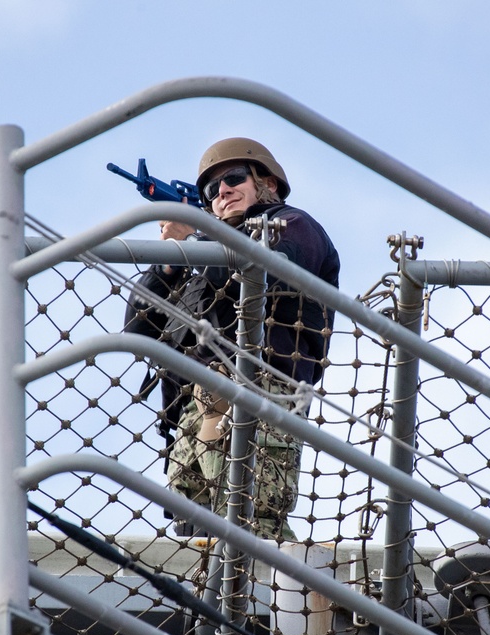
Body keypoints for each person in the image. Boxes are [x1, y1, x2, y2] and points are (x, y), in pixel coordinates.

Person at [131, 138, 339, 540]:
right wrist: (171, 258)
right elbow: (139, 326)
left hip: (261, 395)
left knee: (253, 524)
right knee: (195, 537)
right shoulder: (202, 254)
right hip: (192, 415)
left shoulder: (292, 224)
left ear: (268, 183)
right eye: (211, 190)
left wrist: (193, 242)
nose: (221, 191)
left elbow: (267, 270)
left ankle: (294, 595)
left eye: (233, 178)